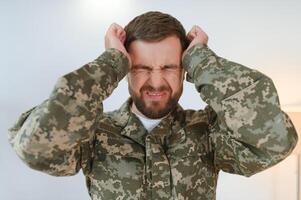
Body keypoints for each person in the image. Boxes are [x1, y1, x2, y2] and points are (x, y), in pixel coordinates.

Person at [8, 11, 298, 200]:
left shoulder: (209, 132)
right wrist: (109, 62)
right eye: (141, 67)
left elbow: (276, 141)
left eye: (169, 67)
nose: (156, 82)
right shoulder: (94, 133)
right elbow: (34, 148)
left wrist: (202, 61)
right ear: (124, 70)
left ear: (186, 68)